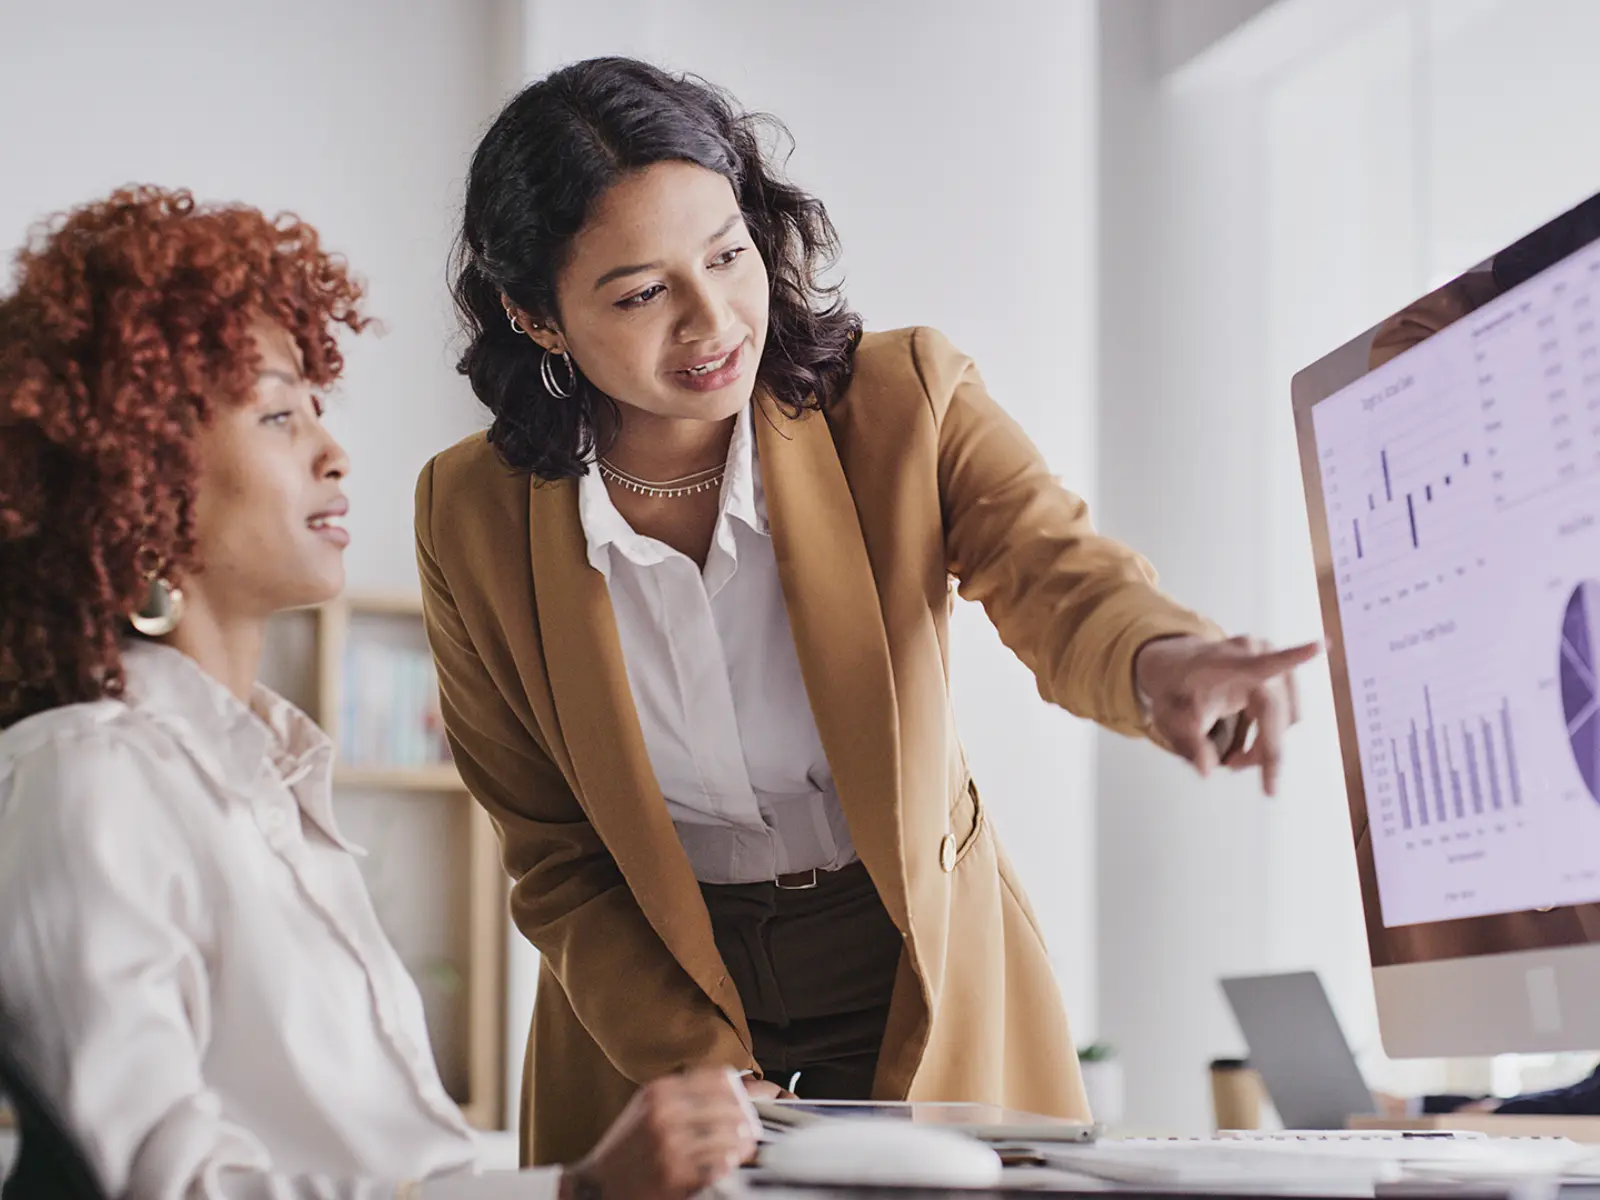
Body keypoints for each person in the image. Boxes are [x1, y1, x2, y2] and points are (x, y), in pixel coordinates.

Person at [418, 56, 1321, 1166]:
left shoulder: (904, 400)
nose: (712, 320)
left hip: (910, 965)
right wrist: (686, 1059)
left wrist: (1158, 656)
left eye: (727, 254)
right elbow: (554, 852)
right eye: (642, 292)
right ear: (535, 316)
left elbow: (1055, 571)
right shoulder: (469, 514)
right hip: (648, 992)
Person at [0, 186, 756, 1200]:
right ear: (137, 474)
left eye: (318, 408)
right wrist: (578, 1193)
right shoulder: (86, 776)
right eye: (277, 414)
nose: (334, 452)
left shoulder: (263, 780)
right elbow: (160, 1186)